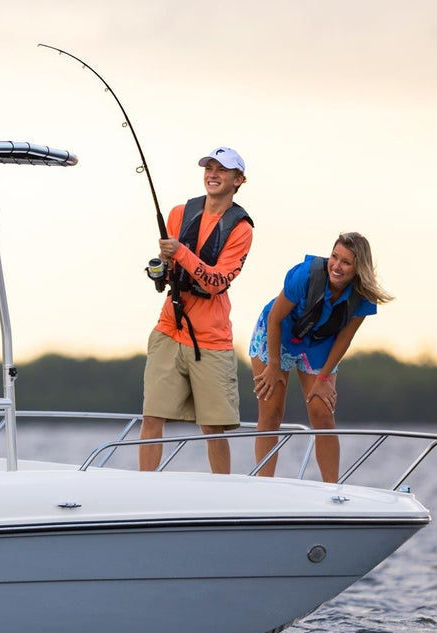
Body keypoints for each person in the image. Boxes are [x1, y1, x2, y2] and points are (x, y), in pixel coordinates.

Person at [140, 147, 254, 474]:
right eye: (209, 167)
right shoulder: (180, 212)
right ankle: (144, 486)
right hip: (168, 327)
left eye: (222, 169)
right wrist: (160, 267)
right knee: (152, 416)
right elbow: (167, 263)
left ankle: (223, 492)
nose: (213, 174)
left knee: (212, 427)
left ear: (238, 180)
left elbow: (217, 281)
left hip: (211, 337)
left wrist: (181, 253)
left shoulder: (241, 229)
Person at [250, 232, 392, 482]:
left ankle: (331, 489)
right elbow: (275, 318)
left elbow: (344, 339)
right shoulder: (305, 275)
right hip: (279, 335)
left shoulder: (363, 296)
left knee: (322, 414)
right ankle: (264, 483)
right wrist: (273, 365)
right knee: (271, 412)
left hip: (318, 344)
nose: (337, 266)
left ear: (358, 268)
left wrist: (324, 377)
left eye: (346, 262)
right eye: (334, 257)